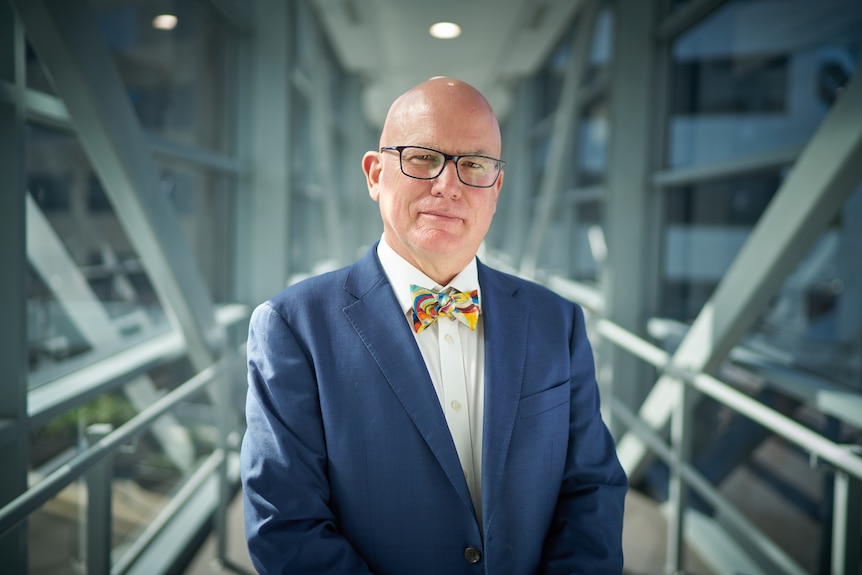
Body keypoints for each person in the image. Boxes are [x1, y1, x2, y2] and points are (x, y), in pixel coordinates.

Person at [240, 77, 627, 574]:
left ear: (496, 187)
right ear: (376, 174)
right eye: (423, 157)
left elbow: (592, 491)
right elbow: (285, 528)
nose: (449, 184)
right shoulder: (292, 327)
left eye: (474, 165)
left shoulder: (558, 321)